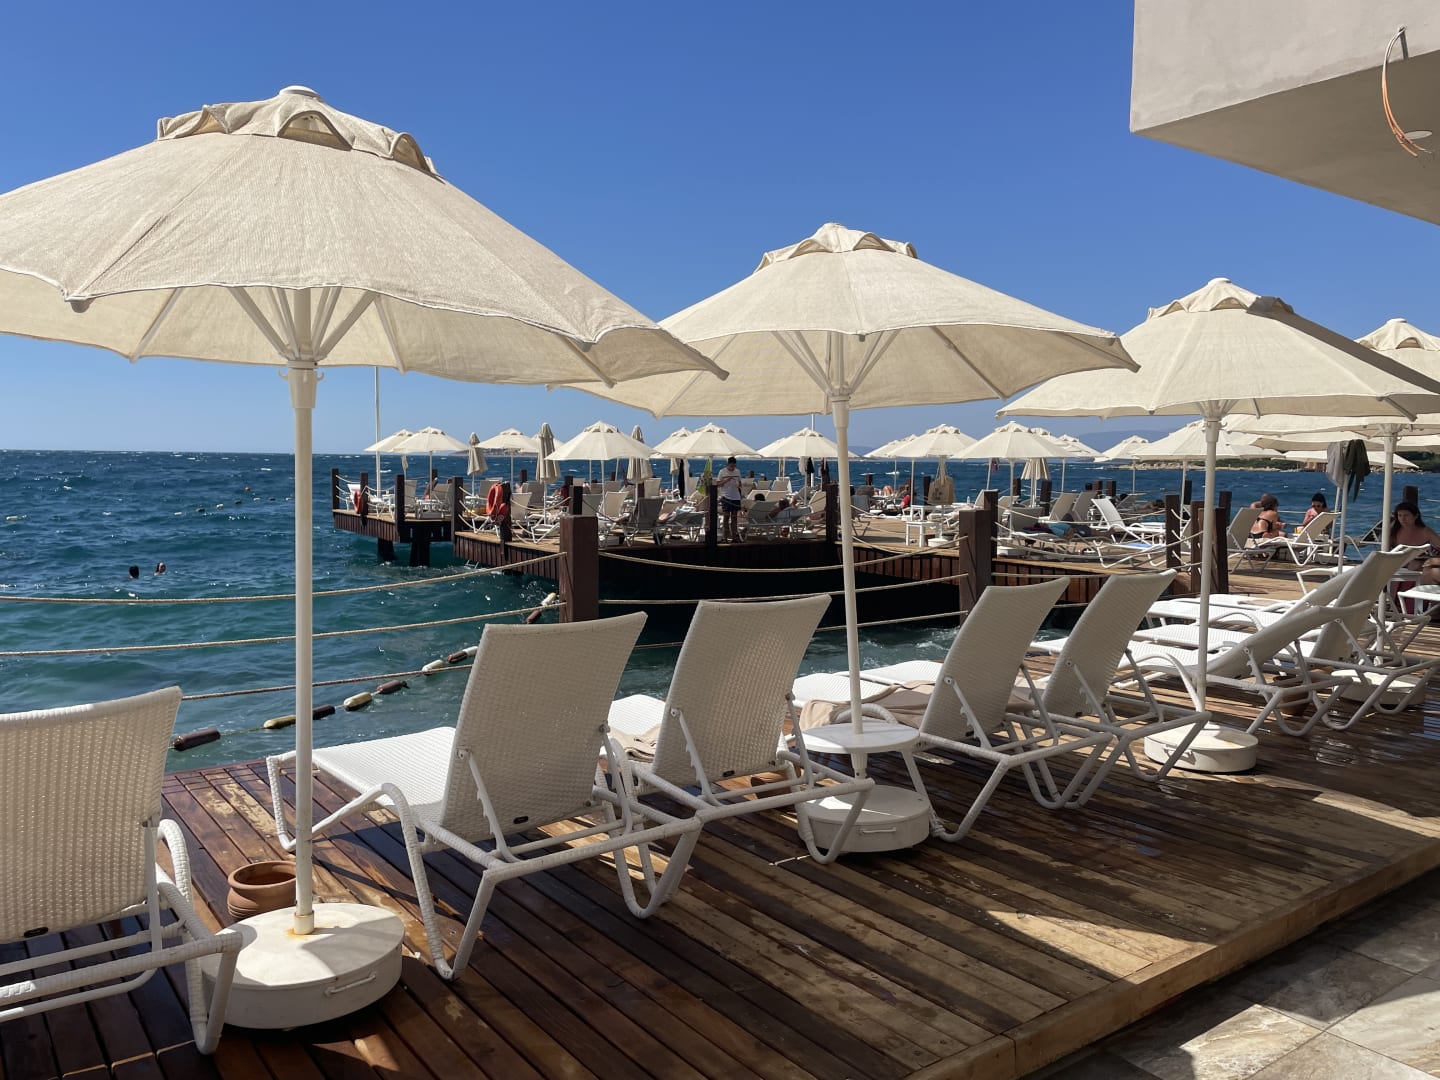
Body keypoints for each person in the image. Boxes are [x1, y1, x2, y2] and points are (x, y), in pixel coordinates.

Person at [1391, 501, 1440, 583]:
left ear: (1416, 516)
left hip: (1421, 564)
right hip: (1398, 564)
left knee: (1416, 565)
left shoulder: (1425, 532)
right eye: (1400, 515)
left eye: (1406, 515)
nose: (1403, 519)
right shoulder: (1394, 531)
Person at [715, 455, 743, 542]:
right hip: (726, 496)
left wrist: (739, 485)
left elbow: (740, 483)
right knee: (726, 517)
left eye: (734, 466)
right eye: (731, 466)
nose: (732, 468)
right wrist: (727, 480)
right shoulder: (722, 472)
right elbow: (718, 484)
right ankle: (725, 537)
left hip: (736, 497)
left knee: (734, 517)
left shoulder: (737, 471)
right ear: (727, 464)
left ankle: (734, 536)